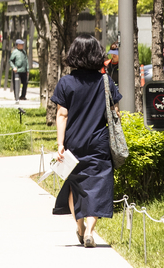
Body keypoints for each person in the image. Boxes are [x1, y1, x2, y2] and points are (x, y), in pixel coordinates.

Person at [52, 35, 121, 248]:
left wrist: (60, 144)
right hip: (99, 141)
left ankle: (80, 226)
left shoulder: (66, 82)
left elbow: (62, 115)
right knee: (99, 184)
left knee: (75, 186)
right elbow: (115, 111)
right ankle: (91, 231)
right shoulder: (105, 81)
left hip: (74, 142)